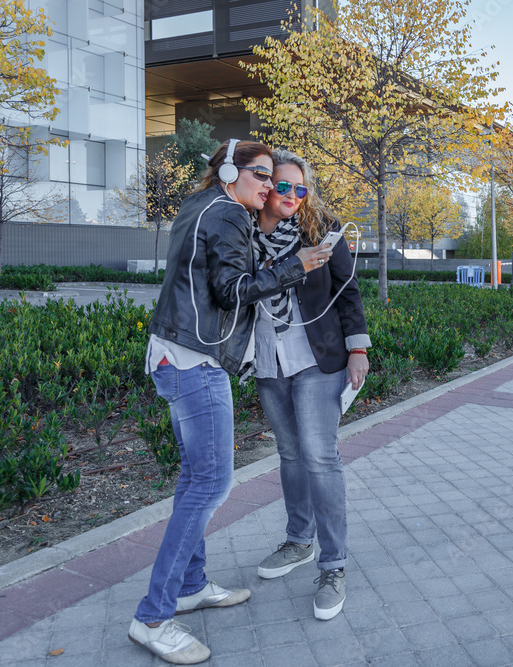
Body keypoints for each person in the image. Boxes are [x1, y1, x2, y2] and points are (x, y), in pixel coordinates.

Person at [129, 139, 334, 664]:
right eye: (261, 175)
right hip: (196, 360)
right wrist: (298, 266)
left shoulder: (201, 206)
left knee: (193, 478)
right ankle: (153, 616)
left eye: (274, 178)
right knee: (211, 483)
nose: (269, 186)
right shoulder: (227, 214)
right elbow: (232, 290)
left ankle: (191, 585)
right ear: (228, 171)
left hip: (174, 353)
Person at [250, 150, 370, 621]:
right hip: (268, 359)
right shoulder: (242, 231)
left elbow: (348, 291)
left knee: (320, 456)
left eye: (301, 189)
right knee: (290, 453)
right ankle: (299, 541)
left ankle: (334, 565)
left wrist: (358, 349)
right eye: (283, 187)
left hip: (319, 358)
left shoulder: (323, 230)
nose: (294, 196)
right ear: (264, 188)